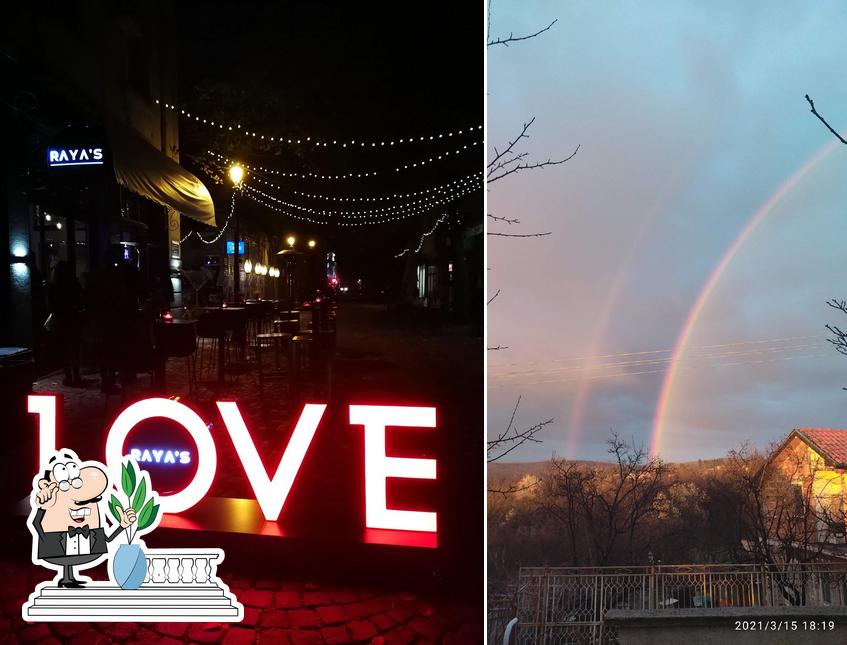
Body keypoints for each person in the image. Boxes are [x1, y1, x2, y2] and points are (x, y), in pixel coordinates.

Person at [28, 450, 137, 587]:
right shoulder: (50, 503)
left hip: (83, 543)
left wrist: (122, 525)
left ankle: (69, 578)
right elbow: (35, 522)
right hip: (56, 543)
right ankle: (67, 579)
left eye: (90, 500)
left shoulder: (92, 531)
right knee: (66, 559)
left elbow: (107, 539)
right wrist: (46, 539)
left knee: (70, 560)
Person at [47, 261, 83, 386]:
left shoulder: (53, 287)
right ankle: (76, 375)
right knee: (74, 349)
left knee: (65, 350)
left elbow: (50, 306)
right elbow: (80, 302)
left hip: (61, 320)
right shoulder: (74, 285)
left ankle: (68, 376)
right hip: (73, 319)